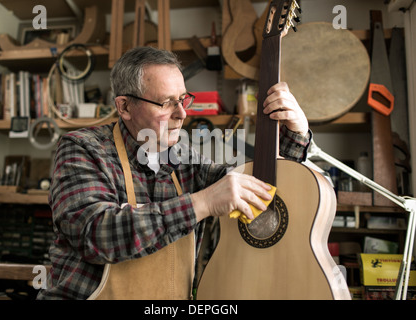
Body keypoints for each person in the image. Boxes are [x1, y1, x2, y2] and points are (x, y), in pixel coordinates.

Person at [37, 46, 311, 300]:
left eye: (183, 99)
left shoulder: (185, 159)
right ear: (125, 107)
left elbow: (261, 189)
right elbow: (96, 235)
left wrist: (296, 132)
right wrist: (202, 203)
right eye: (166, 103)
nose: (181, 113)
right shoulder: (83, 149)